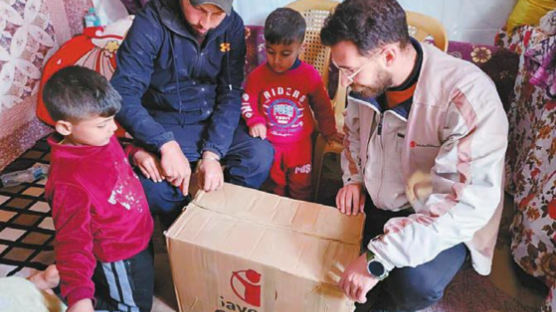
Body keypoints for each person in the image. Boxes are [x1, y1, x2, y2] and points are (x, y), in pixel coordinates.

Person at [320, 0, 509, 311]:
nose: (344, 82)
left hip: (440, 216)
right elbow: (353, 134)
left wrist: (376, 259)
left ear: (389, 55)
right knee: (329, 254)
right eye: (340, 70)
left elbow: (464, 205)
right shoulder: (365, 84)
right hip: (380, 198)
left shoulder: (468, 97)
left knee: (413, 284)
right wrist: (353, 179)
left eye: (350, 70)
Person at [111, 0, 274, 227]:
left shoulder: (232, 25)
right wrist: (164, 143)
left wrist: (213, 153)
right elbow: (122, 94)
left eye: (215, 14)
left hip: (211, 118)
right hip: (165, 122)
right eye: (199, 10)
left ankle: (223, 215)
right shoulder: (151, 23)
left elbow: (230, 92)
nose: (205, 24)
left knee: (259, 154)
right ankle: (181, 226)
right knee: (154, 189)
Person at [43, 66, 154, 312]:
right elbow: (72, 241)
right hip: (118, 252)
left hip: (138, 235)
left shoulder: (97, 138)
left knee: (142, 288)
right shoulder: (68, 182)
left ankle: (70, 283)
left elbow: (112, 158)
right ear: (65, 127)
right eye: (103, 124)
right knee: (133, 307)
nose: (114, 129)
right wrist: (79, 299)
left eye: (112, 119)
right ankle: (70, 292)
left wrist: (136, 153)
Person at [241, 8, 342, 201]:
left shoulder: (309, 75)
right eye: (271, 52)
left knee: (302, 188)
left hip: (300, 146)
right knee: (274, 188)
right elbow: (248, 102)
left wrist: (329, 131)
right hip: (270, 146)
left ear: (300, 48)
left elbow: (322, 107)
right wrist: (255, 121)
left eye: (285, 54)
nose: (277, 61)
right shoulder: (257, 76)